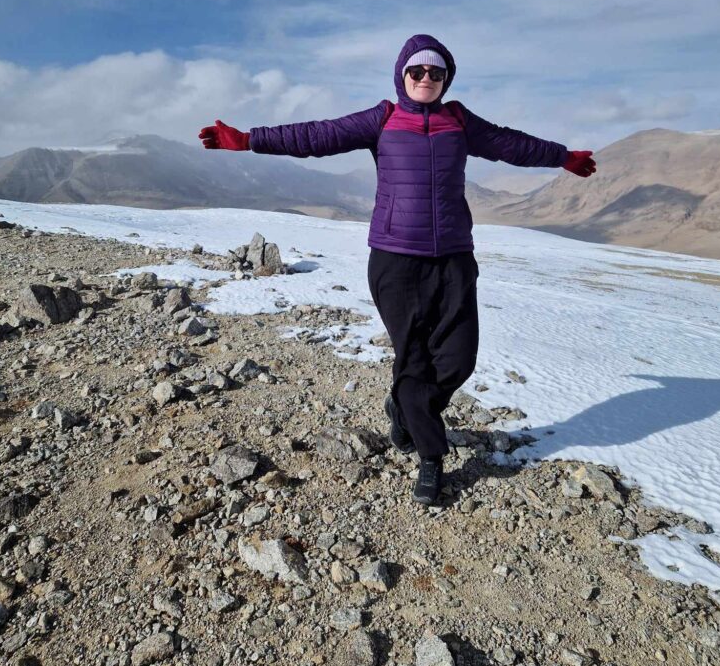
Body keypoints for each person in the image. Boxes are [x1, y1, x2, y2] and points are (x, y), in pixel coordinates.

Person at [199, 34, 596, 506]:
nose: (426, 79)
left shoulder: (460, 121)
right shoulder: (382, 119)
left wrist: (562, 155)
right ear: (402, 75)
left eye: (436, 72)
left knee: (459, 358)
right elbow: (315, 136)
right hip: (395, 257)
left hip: (452, 256)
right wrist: (248, 140)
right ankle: (431, 456)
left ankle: (406, 409)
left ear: (447, 79)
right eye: (417, 71)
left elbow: (513, 144)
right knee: (414, 359)